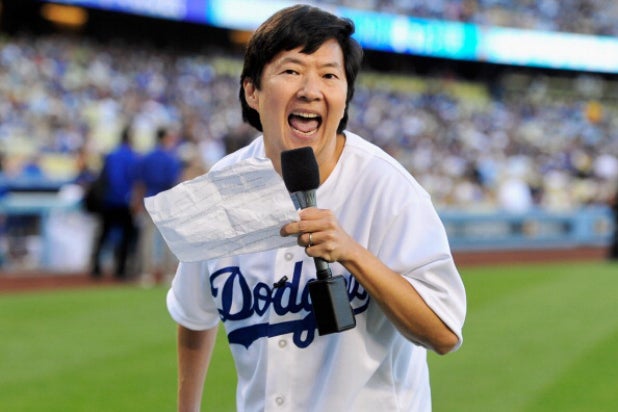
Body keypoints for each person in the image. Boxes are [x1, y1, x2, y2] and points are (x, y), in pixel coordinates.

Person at [166, 5, 466, 411]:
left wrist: (352, 254)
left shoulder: (387, 187)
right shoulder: (222, 187)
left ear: (345, 97)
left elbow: (444, 333)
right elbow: (193, 314)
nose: (310, 89)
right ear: (252, 91)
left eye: (329, 75)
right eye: (291, 70)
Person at [90, 125, 140, 280]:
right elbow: (126, 180)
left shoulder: (112, 155)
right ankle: (121, 269)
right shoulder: (132, 156)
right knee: (126, 236)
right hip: (123, 202)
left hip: (108, 200)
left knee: (104, 234)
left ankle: (96, 267)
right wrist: (128, 198)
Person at [133, 126, 182, 284]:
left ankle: (146, 273)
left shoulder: (147, 157)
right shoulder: (170, 158)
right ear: (164, 138)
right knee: (169, 239)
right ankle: (168, 273)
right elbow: (174, 182)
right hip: (166, 200)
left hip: (149, 199)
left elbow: (139, 183)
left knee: (147, 238)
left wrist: (137, 201)